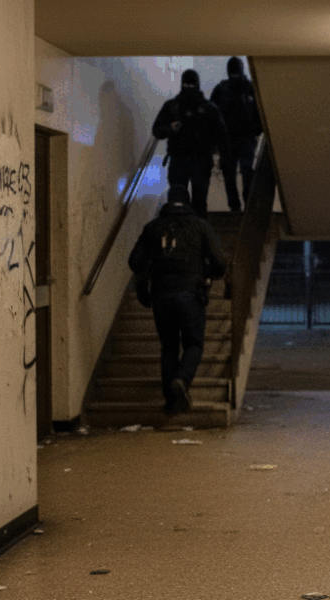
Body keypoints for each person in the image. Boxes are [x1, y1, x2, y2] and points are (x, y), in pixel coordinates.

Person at [129, 185, 227, 415]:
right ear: (188, 202)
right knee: (193, 344)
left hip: (161, 295)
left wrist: (149, 276)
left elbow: (135, 261)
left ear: (167, 201)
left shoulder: (153, 227)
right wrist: (208, 274)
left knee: (169, 347)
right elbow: (220, 263)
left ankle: (171, 403)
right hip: (190, 293)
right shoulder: (200, 226)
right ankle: (182, 379)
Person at [152, 69, 231, 219]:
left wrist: (225, 159)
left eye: (190, 85)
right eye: (187, 85)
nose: (189, 88)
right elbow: (157, 130)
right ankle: (195, 232)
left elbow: (222, 136)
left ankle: (190, 232)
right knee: (187, 204)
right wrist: (170, 128)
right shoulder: (178, 107)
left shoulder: (203, 108)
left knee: (191, 204)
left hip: (196, 160)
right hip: (184, 160)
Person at [211, 57, 263, 212]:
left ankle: (243, 205)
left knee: (243, 170)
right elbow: (212, 115)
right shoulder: (225, 89)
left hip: (244, 137)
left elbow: (260, 113)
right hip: (232, 139)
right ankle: (238, 206)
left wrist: (256, 130)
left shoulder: (247, 88)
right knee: (232, 172)